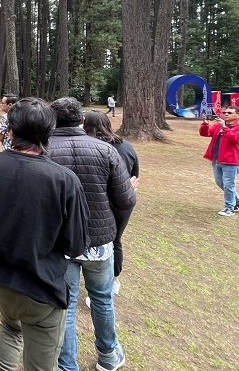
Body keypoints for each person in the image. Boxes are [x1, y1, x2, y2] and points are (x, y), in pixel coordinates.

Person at [0, 98, 89, 371]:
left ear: (10, 130)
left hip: (2, 283)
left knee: (9, 328)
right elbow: (76, 244)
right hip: (42, 289)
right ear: (49, 133)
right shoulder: (64, 180)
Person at [47, 97, 136, 371]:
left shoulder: (44, 151)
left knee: (69, 303)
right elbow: (126, 199)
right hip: (98, 242)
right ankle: (108, 355)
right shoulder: (106, 150)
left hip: (62, 241)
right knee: (101, 298)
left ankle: (68, 363)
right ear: (81, 120)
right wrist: (114, 232)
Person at [83, 111, 139, 294]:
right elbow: (135, 175)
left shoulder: (90, 148)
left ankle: (102, 283)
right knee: (115, 241)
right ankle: (111, 281)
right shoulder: (127, 147)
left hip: (99, 201)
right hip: (123, 201)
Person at [200, 106, 239, 216]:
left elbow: (238, 139)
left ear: (238, 115)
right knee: (220, 183)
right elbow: (205, 133)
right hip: (217, 159)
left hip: (232, 162)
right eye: (225, 112)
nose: (226, 114)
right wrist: (205, 124)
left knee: (228, 185)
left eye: (229, 113)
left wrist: (225, 128)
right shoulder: (218, 126)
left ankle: (229, 208)